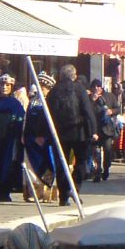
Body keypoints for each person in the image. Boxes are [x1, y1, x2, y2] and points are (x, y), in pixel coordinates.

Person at [46, 65, 95, 204]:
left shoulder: (54, 91)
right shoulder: (79, 89)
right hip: (79, 132)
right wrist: (92, 131)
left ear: (60, 76)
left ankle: (63, 195)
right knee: (81, 162)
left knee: (62, 163)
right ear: (74, 75)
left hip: (59, 133)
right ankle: (75, 187)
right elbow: (87, 110)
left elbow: (47, 113)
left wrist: (43, 133)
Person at [0, 75, 25, 201]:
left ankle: (5, 191)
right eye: (2, 85)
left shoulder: (15, 103)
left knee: (6, 164)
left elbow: (20, 119)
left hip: (9, 138)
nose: (4, 87)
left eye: (7, 85)